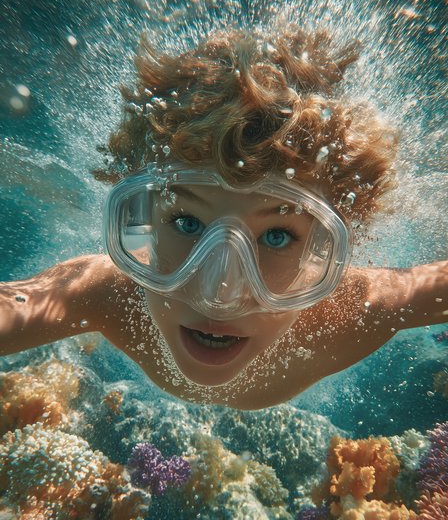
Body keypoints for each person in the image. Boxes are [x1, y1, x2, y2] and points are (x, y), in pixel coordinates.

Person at [0, 27, 446, 409]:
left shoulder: (359, 311)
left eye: (275, 236)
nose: (220, 294)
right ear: (139, 227)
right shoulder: (103, 294)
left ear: (327, 252)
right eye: (187, 224)